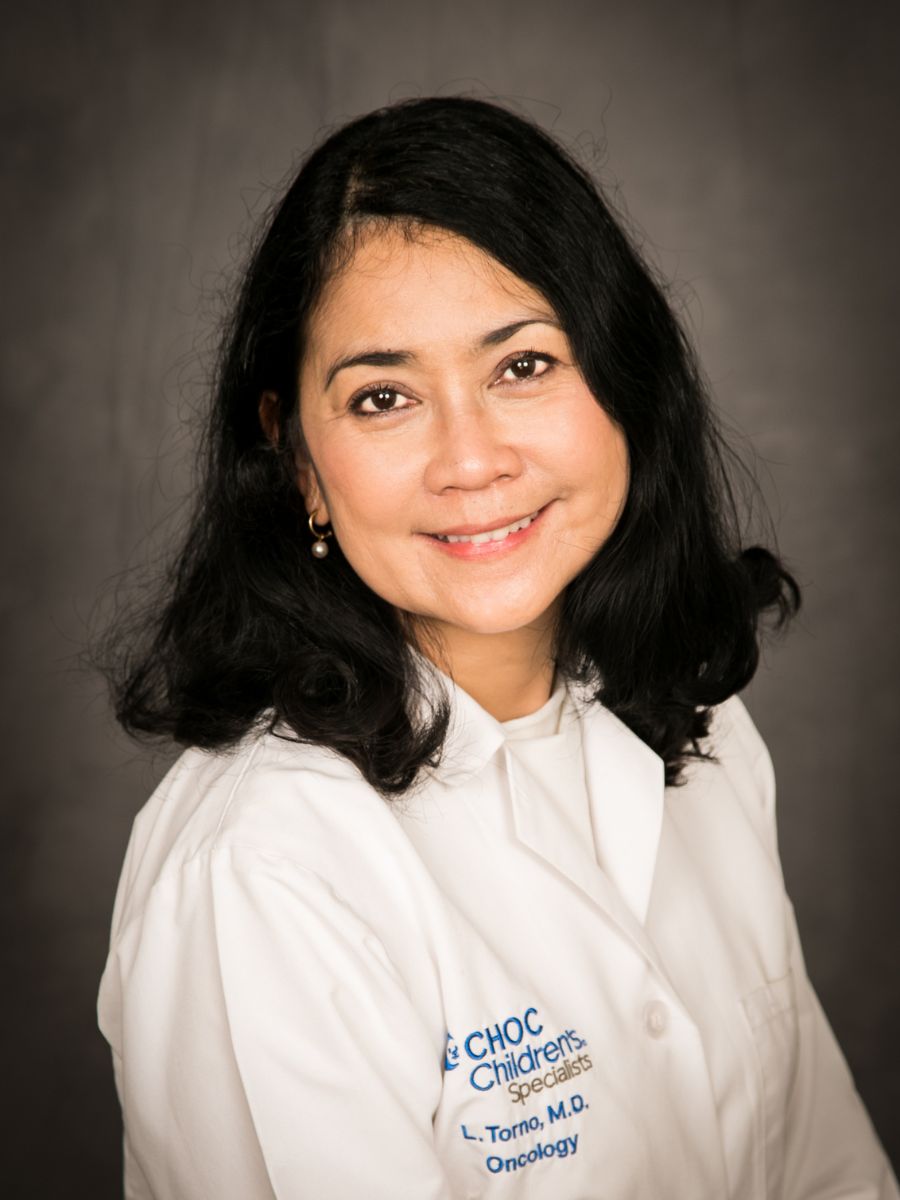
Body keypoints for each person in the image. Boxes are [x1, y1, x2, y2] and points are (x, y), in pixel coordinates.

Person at [97, 96, 897, 1199]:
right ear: (296, 462)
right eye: (383, 397)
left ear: (624, 378)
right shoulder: (265, 866)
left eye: (522, 366)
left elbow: (828, 1174)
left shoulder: (704, 736)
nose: (469, 461)